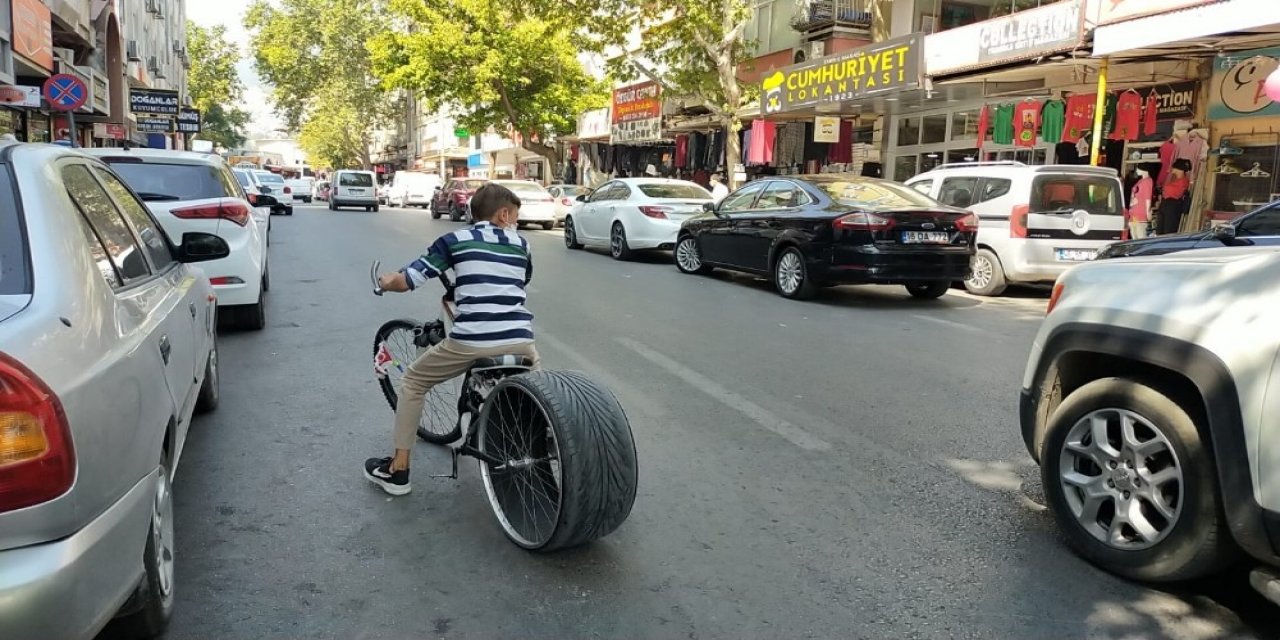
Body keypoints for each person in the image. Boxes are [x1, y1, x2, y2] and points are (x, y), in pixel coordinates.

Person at [364, 183, 540, 496]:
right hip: (522, 340)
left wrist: (387, 281)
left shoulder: (454, 240)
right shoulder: (521, 244)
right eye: (514, 215)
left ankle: (398, 471)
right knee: (538, 396)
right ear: (503, 213)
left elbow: (408, 280)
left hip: (472, 341)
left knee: (414, 382)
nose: (514, 221)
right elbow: (522, 280)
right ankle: (540, 444)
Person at [1156, 158, 1192, 235]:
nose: (1172, 169)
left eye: (1174, 167)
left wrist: (1165, 189)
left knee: (1169, 230)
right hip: (1165, 204)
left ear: (1180, 169)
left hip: (1173, 206)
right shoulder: (1174, 180)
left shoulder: (1183, 181)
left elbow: (1176, 193)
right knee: (1159, 230)